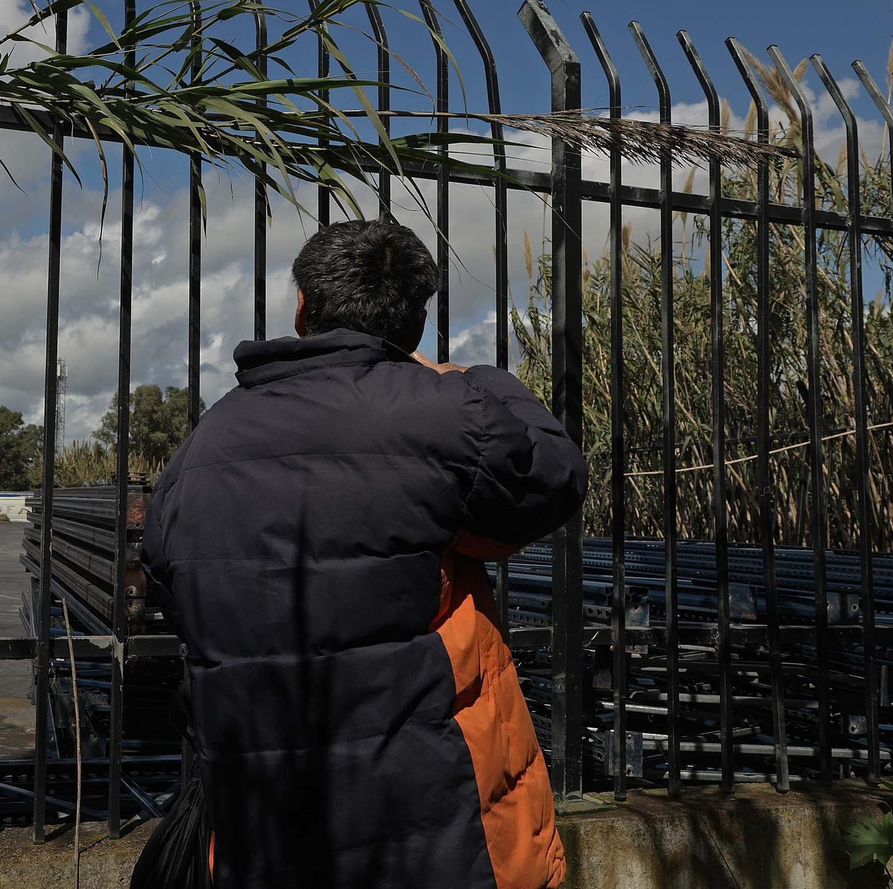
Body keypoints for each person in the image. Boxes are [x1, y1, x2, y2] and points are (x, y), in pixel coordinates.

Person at [141, 218, 588, 889]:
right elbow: (552, 481)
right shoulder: (443, 412)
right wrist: (481, 378)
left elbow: (169, 585)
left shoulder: (204, 446)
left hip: (261, 840)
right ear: (414, 323)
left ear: (301, 308)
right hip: (440, 836)